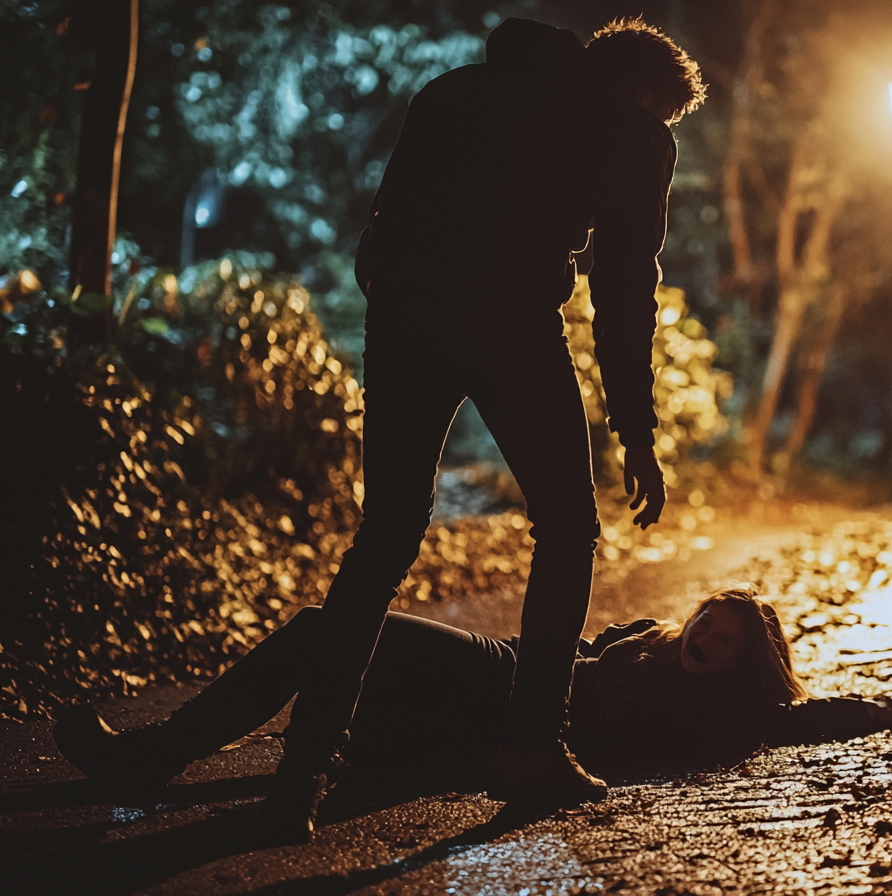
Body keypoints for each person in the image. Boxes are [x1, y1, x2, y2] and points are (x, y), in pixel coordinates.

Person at [243, 17, 705, 842]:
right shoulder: (632, 133)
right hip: (515, 332)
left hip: (405, 323)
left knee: (383, 536)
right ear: (644, 92)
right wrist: (636, 431)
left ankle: (302, 771)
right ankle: (531, 743)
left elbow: (381, 227)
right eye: (665, 115)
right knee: (566, 527)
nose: (660, 132)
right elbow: (625, 289)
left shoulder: (453, 88)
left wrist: (395, 300)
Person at [54, 590, 892, 820]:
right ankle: (155, 753)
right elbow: (578, 644)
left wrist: (880, 708)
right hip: (499, 665)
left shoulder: (727, 716)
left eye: (725, 642)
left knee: (335, 653)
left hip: (494, 720)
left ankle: (159, 760)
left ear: (743, 666)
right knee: (331, 625)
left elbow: (805, 717)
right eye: (708, 622)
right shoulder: (652, 638)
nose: (706, 639)